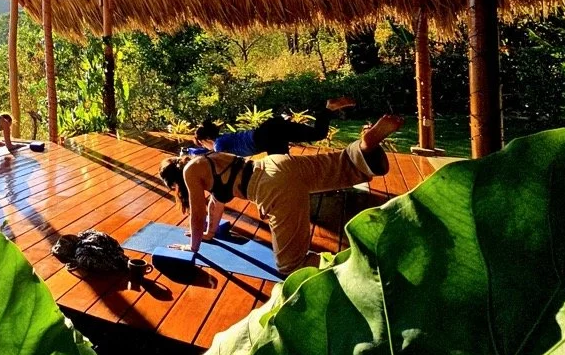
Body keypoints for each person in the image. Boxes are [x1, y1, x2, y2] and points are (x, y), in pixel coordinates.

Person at [160, 114, 404, 277]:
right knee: (341, 164)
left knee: (290, 266)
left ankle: (358, 265)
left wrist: (191, 248)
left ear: (175, 178)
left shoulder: (191, 171)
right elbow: (216, 204)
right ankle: (363, 147)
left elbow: (198, 213)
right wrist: (209, 233)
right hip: (274, 164)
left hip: (271, 186)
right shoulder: (206, 158)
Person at [195, 97, 356, 157]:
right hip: (270, 129)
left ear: (207, 139)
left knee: (281, 165)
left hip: (267, 137)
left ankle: (273, 201)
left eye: (202, 144)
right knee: (317, 133)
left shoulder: (218, 145)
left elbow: (216, 163)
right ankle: (329, 107)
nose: (205, 147)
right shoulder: (224, 139)